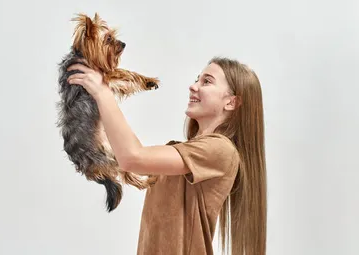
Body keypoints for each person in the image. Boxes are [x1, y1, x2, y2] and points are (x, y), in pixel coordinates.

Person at [67, 56, 267, 255]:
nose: (193, 86)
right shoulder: (189, 152)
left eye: (206, 81)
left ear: (231, 102)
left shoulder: (220, 150)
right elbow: (125, 153)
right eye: (198, 79)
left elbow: (133, 157)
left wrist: (103, 92)